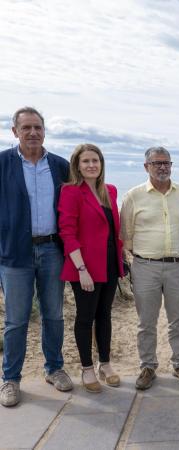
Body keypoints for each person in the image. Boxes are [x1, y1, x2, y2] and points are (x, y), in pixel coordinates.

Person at [0, 107, 72, 408]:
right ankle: (11, 379)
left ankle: (54, 368)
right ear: (15, 131)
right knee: (16, 320)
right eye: (26, 127)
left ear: (45, 131)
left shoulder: (59, 165)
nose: (32, 133)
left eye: (38, 127)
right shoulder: (2, 164)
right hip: (14, 252)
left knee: (53, 314)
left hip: (52, 250)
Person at [120, 146, 179, 390]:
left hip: (177, 265)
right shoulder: (134, 195)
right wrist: (142, 256)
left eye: (166, 162)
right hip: (145, 266)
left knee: (178, 319)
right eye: (156, 163)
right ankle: (148, 366)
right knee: (146, 321)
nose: (162, 167)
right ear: (146, 167)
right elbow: (126, 233)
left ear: (171, 165)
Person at [58, 144, 124, 392]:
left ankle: (105, 364)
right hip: (84, 266)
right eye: (85, 161)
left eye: (95, 160)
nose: (91, 165)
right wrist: (82, 269)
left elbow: (114, 230)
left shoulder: (110, 191)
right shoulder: (71, 192)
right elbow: (67, 232)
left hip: (109, 264)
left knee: (104, 316)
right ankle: (87, 368)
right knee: (85, 318)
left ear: (101, 163)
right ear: (77, 165)